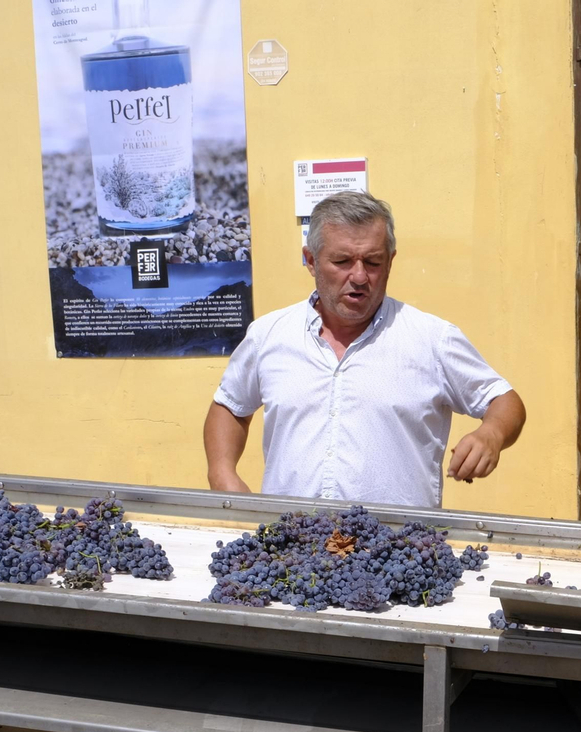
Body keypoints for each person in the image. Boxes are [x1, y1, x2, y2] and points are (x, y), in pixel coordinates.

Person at [204, 191, 525, 508]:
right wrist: (222, 472)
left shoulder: (432, 339)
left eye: (372, 262)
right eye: (342, 261)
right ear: (311, 261)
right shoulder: (269, 336)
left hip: (399, 551)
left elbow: (504, 400)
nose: (358, 276)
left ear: (390, 262)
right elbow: (230, 406)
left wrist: (491, 434)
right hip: (292, 548)